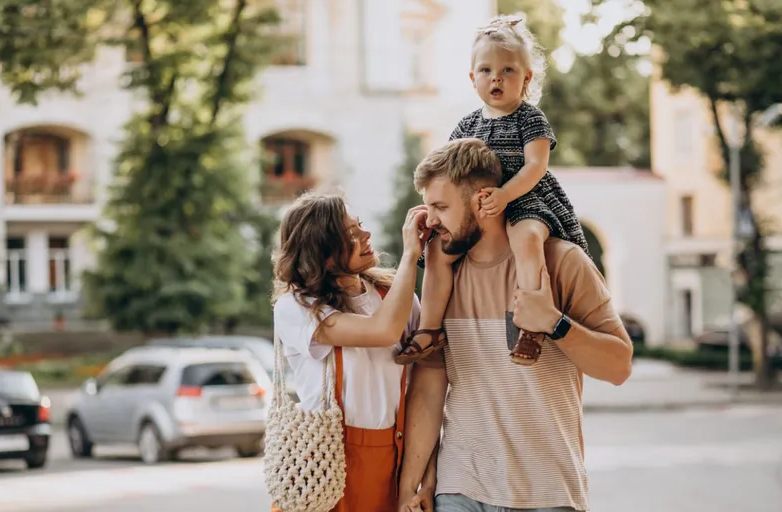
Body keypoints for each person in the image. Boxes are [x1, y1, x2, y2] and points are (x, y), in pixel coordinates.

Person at [398, 138, 633, 512]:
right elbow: (428, 385)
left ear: (483, 200)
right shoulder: (441, 279)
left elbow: (619, 366)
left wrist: (555, 324)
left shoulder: (562, 262)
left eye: (441, 207)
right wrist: (410, 487)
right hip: (461, 487)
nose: (432, 220)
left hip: (549, 492)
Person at [396, 13, 590, 368]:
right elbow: (446, 172)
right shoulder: (466, 125)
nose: (496, 78)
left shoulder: (529, 118)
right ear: (473, 79)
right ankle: (429, 329)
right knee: (439, 254)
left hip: (524, 198)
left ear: (526, 78)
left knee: (528, 241)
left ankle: (530, 324)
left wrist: (505, 195)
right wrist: (436, 210)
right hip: (477, 207)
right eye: (485, 70)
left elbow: (536, 166)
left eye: (508, 71)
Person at [270, 192, 431, 512]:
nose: (366, 236)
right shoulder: (298, 307)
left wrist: (425, 476)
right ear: (322, 253)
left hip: (390, 459)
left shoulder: (392, 296)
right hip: (321, 464)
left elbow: (423, 385)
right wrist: (411, 254)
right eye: (351, 235)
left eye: (361, 227)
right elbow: (381, 331)